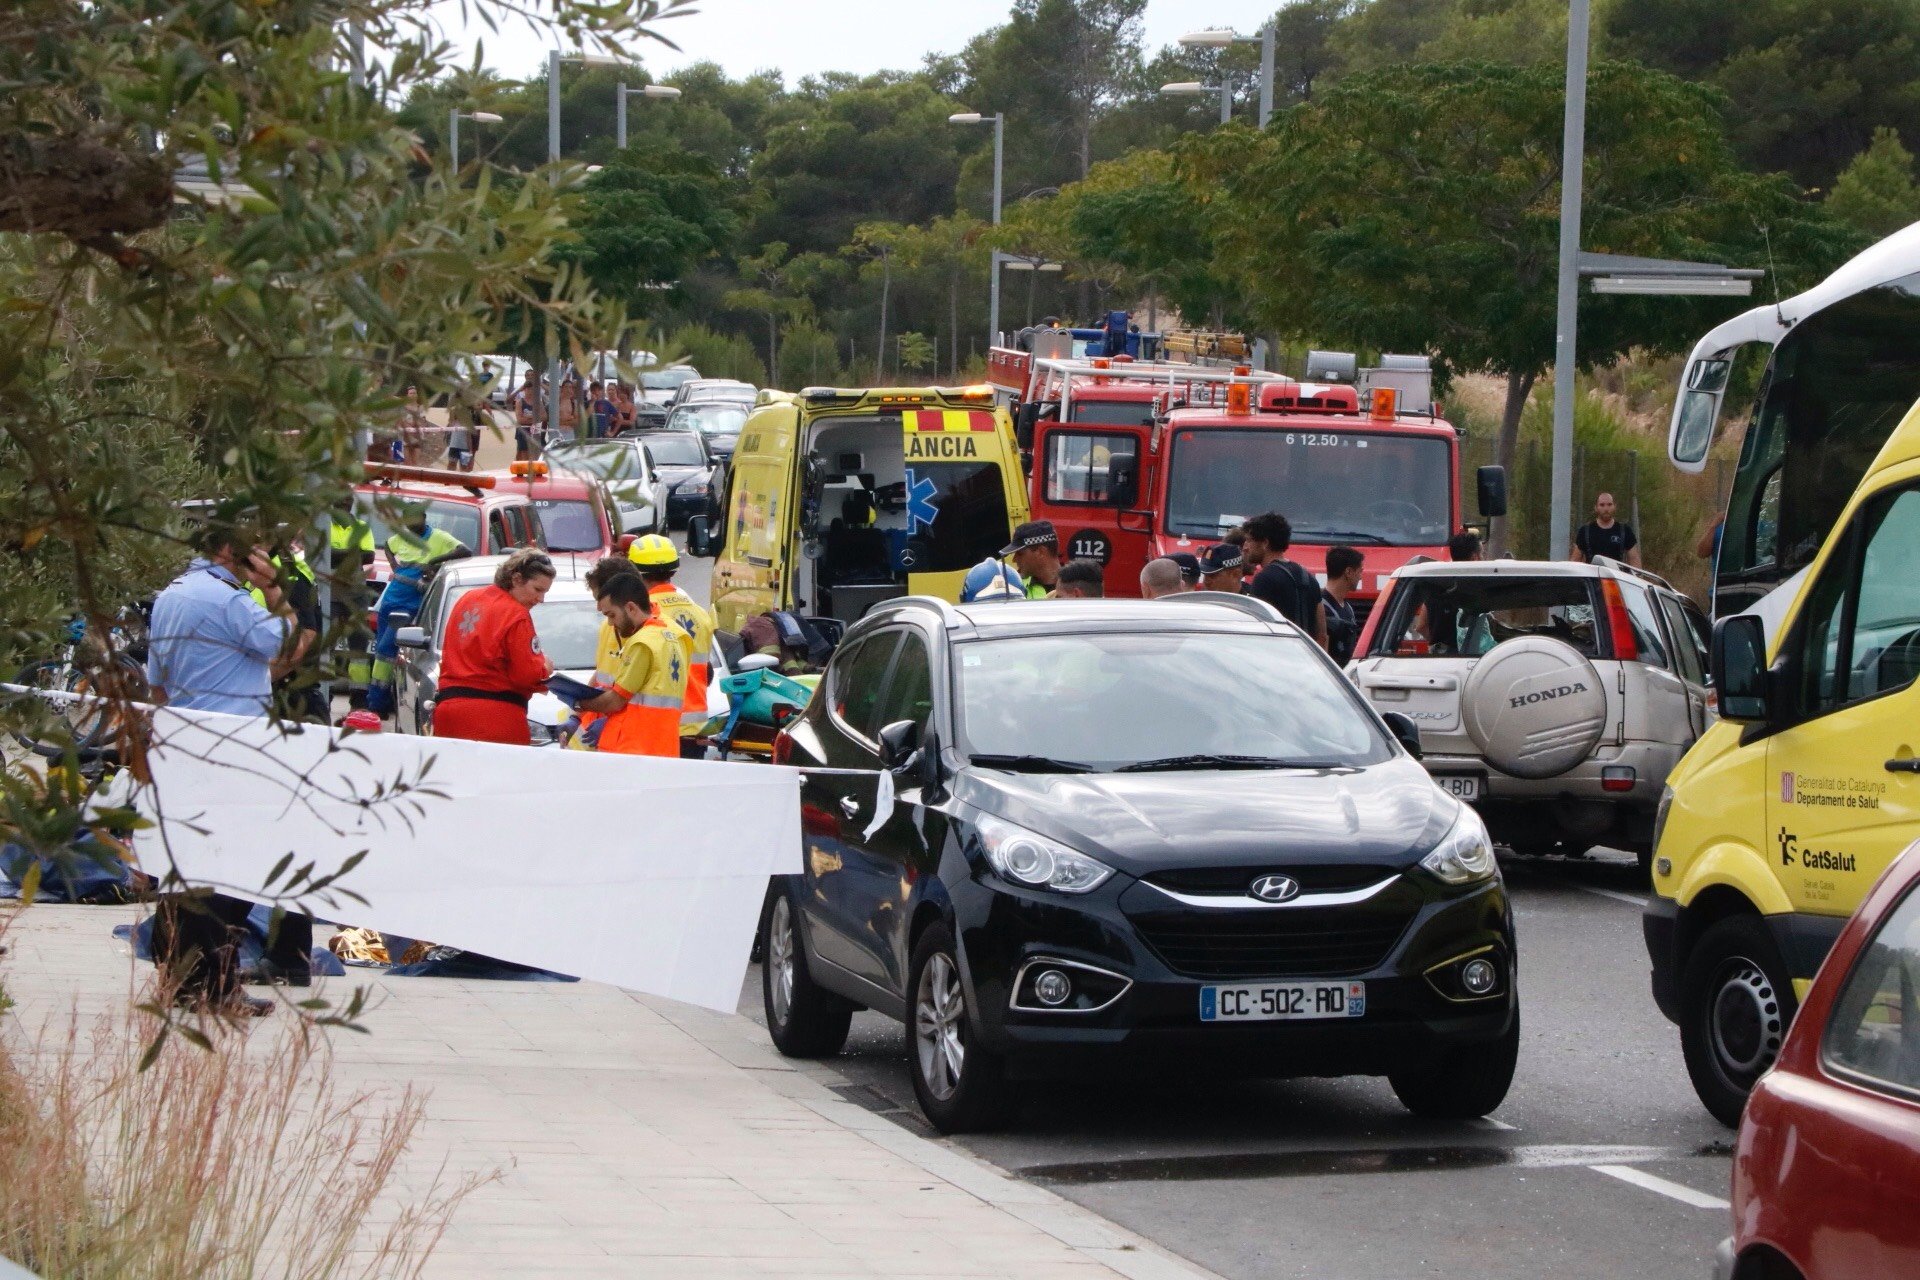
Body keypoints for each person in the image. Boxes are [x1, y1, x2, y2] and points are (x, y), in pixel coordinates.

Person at [146, 523, 296, 1016]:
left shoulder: (172, 595)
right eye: (254, 549)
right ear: (231, 552)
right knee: (230, 870)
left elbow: (158, 684)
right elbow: (282, 642)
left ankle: (179, 978)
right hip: (233, 746)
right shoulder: (230, 600)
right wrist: (274, 589)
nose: (262, 554)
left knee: (188, 864)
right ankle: (215, 985)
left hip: (187, 739)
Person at [431, 550, 557, 744]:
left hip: (448, 712)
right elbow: (526, 675)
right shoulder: (516, 614)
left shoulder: (467, 599)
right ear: (516, 579)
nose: (541, 599)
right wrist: (545, 669)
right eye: (537, 590)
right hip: (495, 717)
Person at [366, 507, 470, 718]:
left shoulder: (439, 537)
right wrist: (394, 566)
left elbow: (464, 551)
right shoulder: (402, 537)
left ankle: (376, 704)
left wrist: (434, 563)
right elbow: (388, 545)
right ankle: (382, 701)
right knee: (382, 653)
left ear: (424, 518)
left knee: (388, 650)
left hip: (412, 604)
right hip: (390, 601)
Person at [575, 574, 687, 757]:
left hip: (634, 747)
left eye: (612, 615)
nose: (610, 623)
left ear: (631, 608)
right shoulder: (673, 635)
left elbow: (615, 700)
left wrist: (578, 704)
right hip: (662, 746)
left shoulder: (642, 643)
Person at [626, 533, 715, 755]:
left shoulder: (640, 612)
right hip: (693, 729)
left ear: (634, 572)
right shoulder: (700, 613)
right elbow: (708, 672)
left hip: (654, 726)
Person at [1241, 512, 1329, 648]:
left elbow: (1256, 632)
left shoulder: (1264, 580)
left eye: (1249, 540)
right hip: (1305, 660)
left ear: (1265, 543)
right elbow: (1322, 635)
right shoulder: (1308, 577)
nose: (1245, 547)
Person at [961, 520, 1061, 602]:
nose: (1014, 560)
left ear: (1040, 552)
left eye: (1020, 553)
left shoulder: (1074, 586)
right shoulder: (1012, 585)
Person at [1571, 491, 1641, 567]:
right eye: (1602, 505)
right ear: (1596, 507)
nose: (1606, 508)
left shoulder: (1625, 530)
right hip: (1592, 577)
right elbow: (1575, 561)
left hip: (1616, 576)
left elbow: (1634, 560)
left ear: (1614, 506)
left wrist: (1636, 577)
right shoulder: (1585, 531)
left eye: (1609, 505)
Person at [1321, 545, 1365, 665]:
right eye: (1360, 571)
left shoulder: (1348, 609)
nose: (1361, 577)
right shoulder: (1320, 608)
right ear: (1348, 572)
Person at [511, 368, 543, 462]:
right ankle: (518, 468)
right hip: (523, 428)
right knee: (521, 452)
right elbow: (509, 400)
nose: (530, 377)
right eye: (528, 375)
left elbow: (552, 395)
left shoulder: (539, 389)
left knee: (534, 452)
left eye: (532, 375)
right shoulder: (521, 391)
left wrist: (540, 384)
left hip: (536, 427)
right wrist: (520, 389)